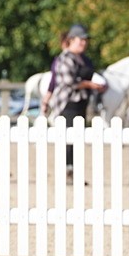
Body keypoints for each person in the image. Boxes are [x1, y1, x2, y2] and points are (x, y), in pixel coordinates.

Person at [40, 24, 106, 174]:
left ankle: (73, 169)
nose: (84, 43)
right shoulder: (64, 59)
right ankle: (66, 169)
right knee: (68, 137)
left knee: (77, 137)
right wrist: (90, 85)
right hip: (67, 103)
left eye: (85, 40)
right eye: (80, 40)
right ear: (71, 40)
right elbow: (69, 81)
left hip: (82, 102)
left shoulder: (84, 59)